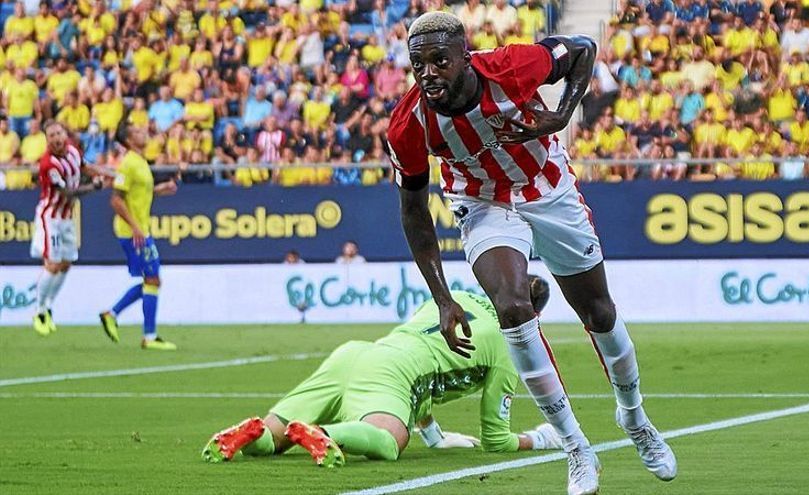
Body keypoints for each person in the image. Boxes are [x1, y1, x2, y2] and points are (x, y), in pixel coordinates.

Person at [386, 13, 676, 495]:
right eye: (419, 64)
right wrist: (442, 298)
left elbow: (582, 49)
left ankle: (634, 417)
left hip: (547, 188)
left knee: (599, 313)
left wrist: (563, 113)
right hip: (482, 204)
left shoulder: (511, 66)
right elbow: (413, 210)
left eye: (440, 60)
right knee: (512, 308)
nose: (429, 72)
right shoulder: (409, 123)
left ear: (465, 56)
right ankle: (576, 448)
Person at [202, 279, 565, 465]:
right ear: (534, 317)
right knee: (390, 441)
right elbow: (496, 439)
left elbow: (427, 359)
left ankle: (253, 434)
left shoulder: (455, 298)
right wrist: (541, 437)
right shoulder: (508, 344)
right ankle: (324, 433)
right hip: (394, 375)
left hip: (356, 354)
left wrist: (436, 436)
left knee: (275, 440)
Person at [99, 125, 178, 350]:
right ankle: (149, 336)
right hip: (132, 232)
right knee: (152, 279)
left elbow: (139, 193)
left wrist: (161, 189)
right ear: (129, 140)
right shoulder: (129, 163)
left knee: (151, 280)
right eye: (136, 132)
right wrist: (134, 227)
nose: (143, 132)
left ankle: (112, 314)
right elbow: (116, 199)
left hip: (141, 230)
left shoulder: (141, 161)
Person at [30, 121, 103, 336]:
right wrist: (94, 186)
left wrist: (108, 172)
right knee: (52, 264)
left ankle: (49, 305)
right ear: (47, 140)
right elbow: (66, 194)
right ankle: (39, 310)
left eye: (59, 133)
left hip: (67, 218)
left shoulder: (72, 151)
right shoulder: (48, 164)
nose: (56, 138)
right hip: (50, 217)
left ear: (65, 134)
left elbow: (85, 166)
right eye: (51, 135)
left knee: (66, 262)